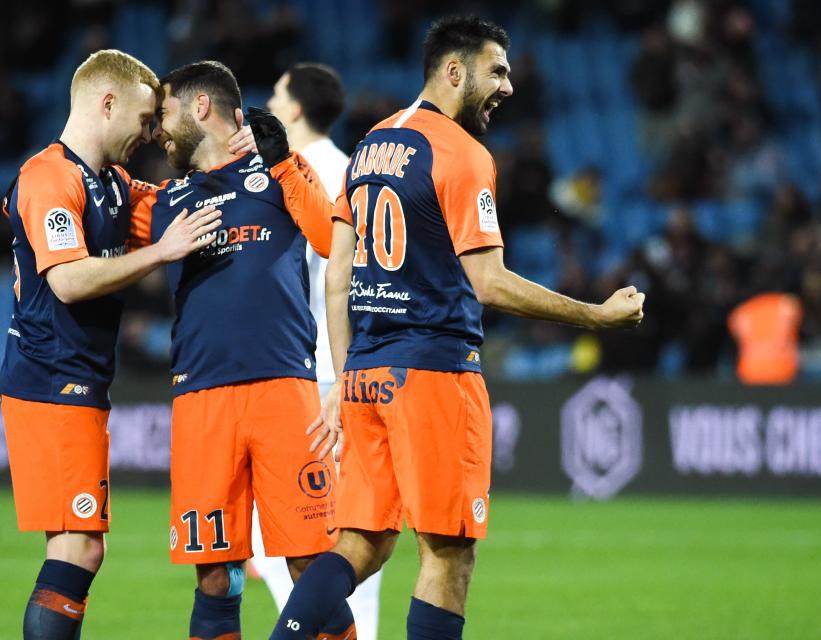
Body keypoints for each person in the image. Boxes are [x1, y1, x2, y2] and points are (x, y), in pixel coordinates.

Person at [271, 16, 645, 639]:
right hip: (434, 375)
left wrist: (342, 373)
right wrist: (597, 315)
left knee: (360, 544)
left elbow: (336, 276)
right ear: (453, 71)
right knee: (447, 553)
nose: (508, 86)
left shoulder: (370, 144)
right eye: (496, 70)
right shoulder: (463, 154)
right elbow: (490, 283)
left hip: (366, 373)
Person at [0, 49, 235, 639]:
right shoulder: (49, 177)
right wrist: (159, 253)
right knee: (78, 548)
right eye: (144, 116)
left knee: (81, 548)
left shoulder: (109, 184)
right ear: (107, 103)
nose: (149, 132)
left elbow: (177, 208)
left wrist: (234, 165)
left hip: (76, 381)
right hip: (50, 381)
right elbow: (70, 280)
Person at [132, 60, 353, 640]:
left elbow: (332, 240)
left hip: (285, 391)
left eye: (164, 114)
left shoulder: (278, 170)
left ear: (198, 107)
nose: (158, 129)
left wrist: (282, 161)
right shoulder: (163, 200)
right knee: (215, 574)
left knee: (309, 563)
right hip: (200, 398)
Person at [262, 62, 384, 640]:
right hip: (332, 369)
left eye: (276, 93)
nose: (267, 100)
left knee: (319, 537)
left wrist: (341, 374)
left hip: (318, 374)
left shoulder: (306, 174)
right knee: (333, 534)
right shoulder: (351, 170)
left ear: (293, 110)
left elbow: (342, 281)